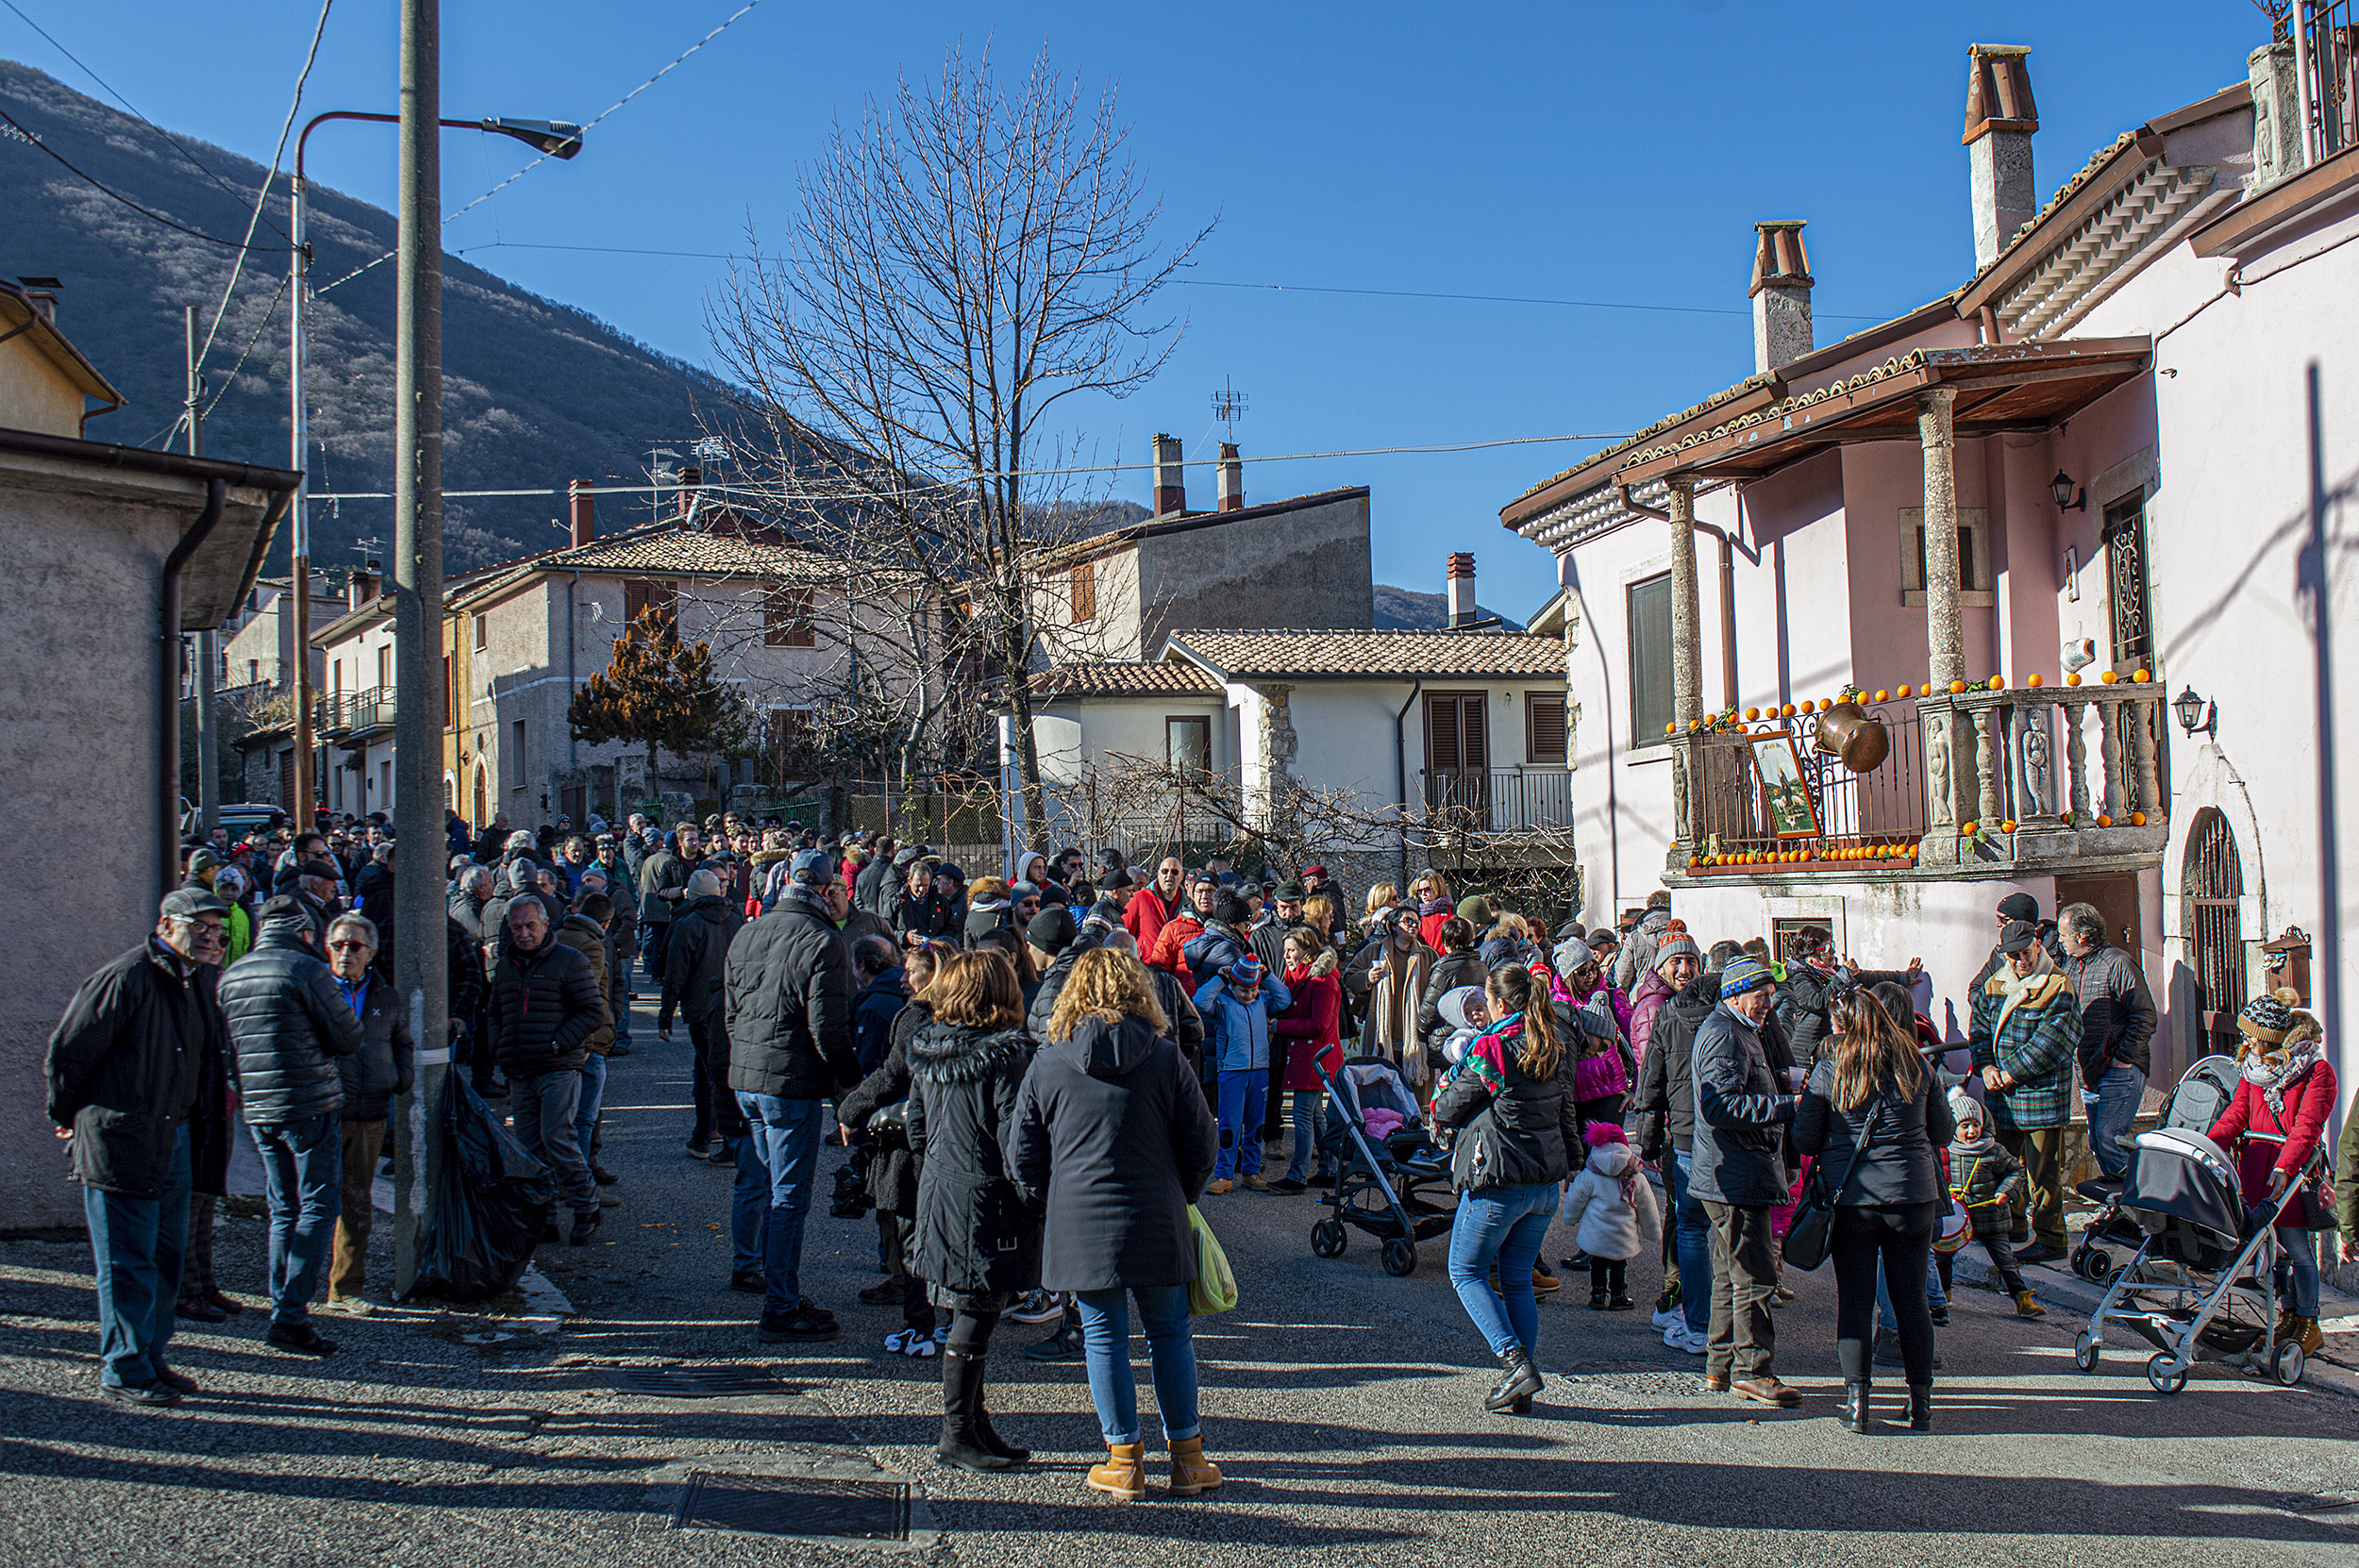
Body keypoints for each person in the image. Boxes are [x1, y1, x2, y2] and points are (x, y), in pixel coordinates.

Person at [1008, 948, 1221, 1501]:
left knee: (1103, 1337)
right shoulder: (1165, 1057)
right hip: (1157, 1213)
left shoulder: (1049, 1061)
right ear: (1138, 993)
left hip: (1080, 1218)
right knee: (1170, 1334)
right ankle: (1188, 1458)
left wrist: (1048, 1203)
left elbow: (1022, 1155)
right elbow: (1201, 1144)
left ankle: (1123, 1460)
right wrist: (1183, 1194)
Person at [45, 889, 236, 1406]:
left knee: (165, 1257)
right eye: (201, 928)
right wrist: (67, 1117)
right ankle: (124, 1368)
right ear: (167, 924)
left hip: (174, 1138)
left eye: (218, 931)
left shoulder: (197, 980)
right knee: (128, 1261)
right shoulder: (127, 976)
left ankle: (150, 1357)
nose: (212, 939)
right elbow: (69, 1053)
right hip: (123, 1140)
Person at [1792, 992, 1955, 1433]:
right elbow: (1943, 1130)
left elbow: (1805, 1139)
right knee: (1912, 1300)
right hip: (1912, 1194)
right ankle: (1920, 1404)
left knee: (1856, 1299)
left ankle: (1858, 1402)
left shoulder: (1831, 1069)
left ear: (1842, 1024)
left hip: (1855, 1198)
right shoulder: (1916, 1064)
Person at [907, 951, 1042, 1472]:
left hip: (942, 1190)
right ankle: (957, 1430)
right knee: (975, 1315)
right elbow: (1018, 1142)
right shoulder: (1005, 1056)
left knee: (972, 1312)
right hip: (986, 1198)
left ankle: (974, 1423)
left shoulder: (930, 1047)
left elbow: (919, 1129)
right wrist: (1034, 1200)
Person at [218, 895, 367, 1357]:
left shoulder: (233, 975)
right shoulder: (306, 971)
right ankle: (291, 1314)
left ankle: (283, 1306)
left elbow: (224, 1049)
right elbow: (348, 1036)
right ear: (305, 933)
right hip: (309, 1101)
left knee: (283, 1208)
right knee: (319, 1206)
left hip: (260, 1107)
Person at [727, 847, 863, 1343]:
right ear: (826, 891)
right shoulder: (821, 939)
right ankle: (780, 1305)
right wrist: (851, 1083)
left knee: (764, 1184)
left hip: (749, 1078)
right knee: (787, 1196)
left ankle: (770, 1284)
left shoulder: (750, 931)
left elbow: (732, 1012)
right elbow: (829, 1029)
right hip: (789, 1081)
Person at [1433, 964, 1578, 1415]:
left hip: (1500, 1178)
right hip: (1544, 1181)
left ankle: (1514, 1362)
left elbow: (1453, 1104)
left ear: (1498, 1003)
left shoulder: (1493, 1048)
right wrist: (1571, 1162)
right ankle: (1524, 1379)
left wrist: (1437, 1111)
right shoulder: (1552, 1044)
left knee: (1465, 1271)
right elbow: (1566, 1111)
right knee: (1516, 1280)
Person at [1690, 955, 1798, 1407]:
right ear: (1736, 993)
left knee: (1729, 1273)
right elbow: (1721, 1107)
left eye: (1771, 994)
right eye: (1762, 993)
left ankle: (1720, 1366)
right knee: (1753, 1275)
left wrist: (1779, 1085)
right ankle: (1752, 1369)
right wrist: (1786, 1105)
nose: (1769, 1002)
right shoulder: (1724, 1033)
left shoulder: (1738, 1030)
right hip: (1735, 1172)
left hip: (1734, 1171)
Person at [2207, 993, 2339, 1357]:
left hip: (2291, 1168)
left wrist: (2286, 1166)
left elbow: (2308, 1126)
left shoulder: (2315, 1070)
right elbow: (2238, 1113)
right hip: (2257, 1165)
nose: (2245, 1042)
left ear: (2269, 1036)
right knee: (2270, 1247)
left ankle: (2309, 1321)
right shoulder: (2254, 1068)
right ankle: (2288, 1313)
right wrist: (2208, 1145)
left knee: (2296, 1249)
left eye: (2252, 1035)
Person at [493, 895, 609, 1246]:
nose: (524, 934)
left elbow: (592, 1011)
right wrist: (498, 1049)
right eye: (517, 928)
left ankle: (587, 1205)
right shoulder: (506, 965)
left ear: (545, 924)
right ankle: (545, 1217)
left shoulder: (569, 961)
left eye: (530, 926)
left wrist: (559, 1044)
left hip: (558, 1066)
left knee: (557, 1137)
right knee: (529, 1148)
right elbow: (494, 1012)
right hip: (520, 1067)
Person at [1967, 920, 2082, 1264]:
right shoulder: (1994, 985)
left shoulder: (2058, 985)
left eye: (2025, 953)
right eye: (2013, 956)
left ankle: (2050, 1237)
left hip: (2040, 1094)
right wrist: (1986, 1066)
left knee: (2042, 1173)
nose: (2021, 961)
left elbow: (2054, 1041)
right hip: (2003, 1094)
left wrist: (2009, 1072)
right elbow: (1980, 1030)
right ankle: (2012, 1225)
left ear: (2037, 947)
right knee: (2004, 1165)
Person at [319, 913, 413, 1313]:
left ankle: (346, 1287)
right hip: (320, 1112)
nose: (345, 953)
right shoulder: (316, 989)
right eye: (338, 945)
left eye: (354, 946)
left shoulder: (384, 995)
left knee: (357, 1202)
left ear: (370, 952)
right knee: (309, 1201)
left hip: (368, 1111)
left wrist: (400, 1077)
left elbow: (403, 1040)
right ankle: (291, 1286)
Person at [2058, 901, 2156, 1185]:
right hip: (2089, 1070)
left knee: (2109, 1137)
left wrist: (2123, 1057)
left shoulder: (2118, 963)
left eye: (2064, 934)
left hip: (2118, 1069)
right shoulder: (2072, 966)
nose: (2061, 940)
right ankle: (2121, 1208)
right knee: (2097, 1141)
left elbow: (2145, 1015)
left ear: (2082, 936)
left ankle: (2142, 1202)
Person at [662, 869, 745, 1160]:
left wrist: (666, 1013)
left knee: (714, 1073)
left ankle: (727, 1139)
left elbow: (675, 973)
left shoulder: (689, 924)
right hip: (732, 1003)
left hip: (700, 1009)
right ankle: (704, 1133)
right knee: (712, 1070)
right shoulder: (736, 919)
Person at [1194, 954, 1291, 1195]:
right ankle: (1224, 1175)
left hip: (1259, 1072)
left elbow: (1285, 998)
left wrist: (1267, 976)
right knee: (1229, 1127)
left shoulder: (1263, 1002)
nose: (1249, 995)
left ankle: (1250, 1172)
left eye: (1254, 990)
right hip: (1231, 1073)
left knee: (1256, 1126)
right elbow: (1199, 1002)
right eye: (1243, 990)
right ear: (1232, 986)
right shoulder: (1224, 1004)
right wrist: (1219, 978)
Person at [1944, 1090, 2041, 1316]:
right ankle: (1942, 1295)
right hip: (1956, 1218)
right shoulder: (1947, 1151)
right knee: (1943, 1257)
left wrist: (2006, 1191)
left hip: (1991, 1217)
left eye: (1975, 1125)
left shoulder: (1994, 1150)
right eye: (1965, 1125)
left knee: (2005, 1260)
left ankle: (2022, 1299)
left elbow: (2016, 1171)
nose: (1971, 1131)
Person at [554, 892, 621, 1196]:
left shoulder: (557, 935)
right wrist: (587, 1044)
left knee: (566, 1115)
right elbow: (588, 999)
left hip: (564, 1037)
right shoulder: (593, 947)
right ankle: (579, 1185)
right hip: (585, 1043)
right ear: (606, 923)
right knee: (584, 1117)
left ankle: (576, 1176)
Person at [1560, 1123, 1661, 1311]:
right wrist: (1652, 1231)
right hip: (1623, 1234)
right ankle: (1618, 1296)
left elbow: (1576, 1197)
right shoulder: (1635, 1176)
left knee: (1597, 1262)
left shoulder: (1591, 1173)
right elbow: (1647, 1206)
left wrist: (1570, 1217)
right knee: (1618, 1265)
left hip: (1596, 1234)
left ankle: (1597, 1295)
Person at [1270, 928, 1342, 1191]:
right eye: (1285, 950)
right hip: (1305, 1057)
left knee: (1302, 1115)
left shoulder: (1323, 981)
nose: (1286, 955)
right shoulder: (1296, 977)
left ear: (1306, 949)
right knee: (1315, 1116)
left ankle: (1297, 1176)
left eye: (1291, 950)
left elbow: (1319, 1024)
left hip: (1316, 1058)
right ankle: (1329, 1168)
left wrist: (1279, 1026)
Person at [1349, 906, 1436, 1077]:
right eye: (1407, 920)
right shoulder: (1374, 950)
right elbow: (1349, 978)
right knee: (1381, 1091)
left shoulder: (1428, 955)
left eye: (1416, 922)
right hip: (1381, 1034)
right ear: (1394, 926)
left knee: (1412, 1096)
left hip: (1415, 1037)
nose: (1413, 925)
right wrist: (1367, 977)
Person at [1416, 917, 1488, 1080]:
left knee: (1449, 1084)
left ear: (1446, 942)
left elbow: (1429, 1008)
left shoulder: (1443, 970)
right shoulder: (1482, 966)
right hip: (1477, 1032)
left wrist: (1420, 1033)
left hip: (1447, 1037)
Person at [1612, 892, 1673, 994]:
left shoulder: (1635, 936)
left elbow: (1622, 977)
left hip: (1642, 995)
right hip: (1672, 995)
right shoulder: (1679, 934)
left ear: (1649, 908)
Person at [1126, 857, 1187, 958]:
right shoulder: (1139, 898)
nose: (1169, 875)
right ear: (1158, 874)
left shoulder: (1187, 906)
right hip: (1146, 966)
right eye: (1165, 871)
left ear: (1181, 876)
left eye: (1175, 872)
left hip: (1175, 968)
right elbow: (1125, 934)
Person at [1408, 868, 1455, 954]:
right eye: (1420, 891)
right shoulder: (1415, 911)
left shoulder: (1452, 911)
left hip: (1447, 961)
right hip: (1425, 961)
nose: (1423, 894)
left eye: (1427, 889)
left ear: (1437, 888)